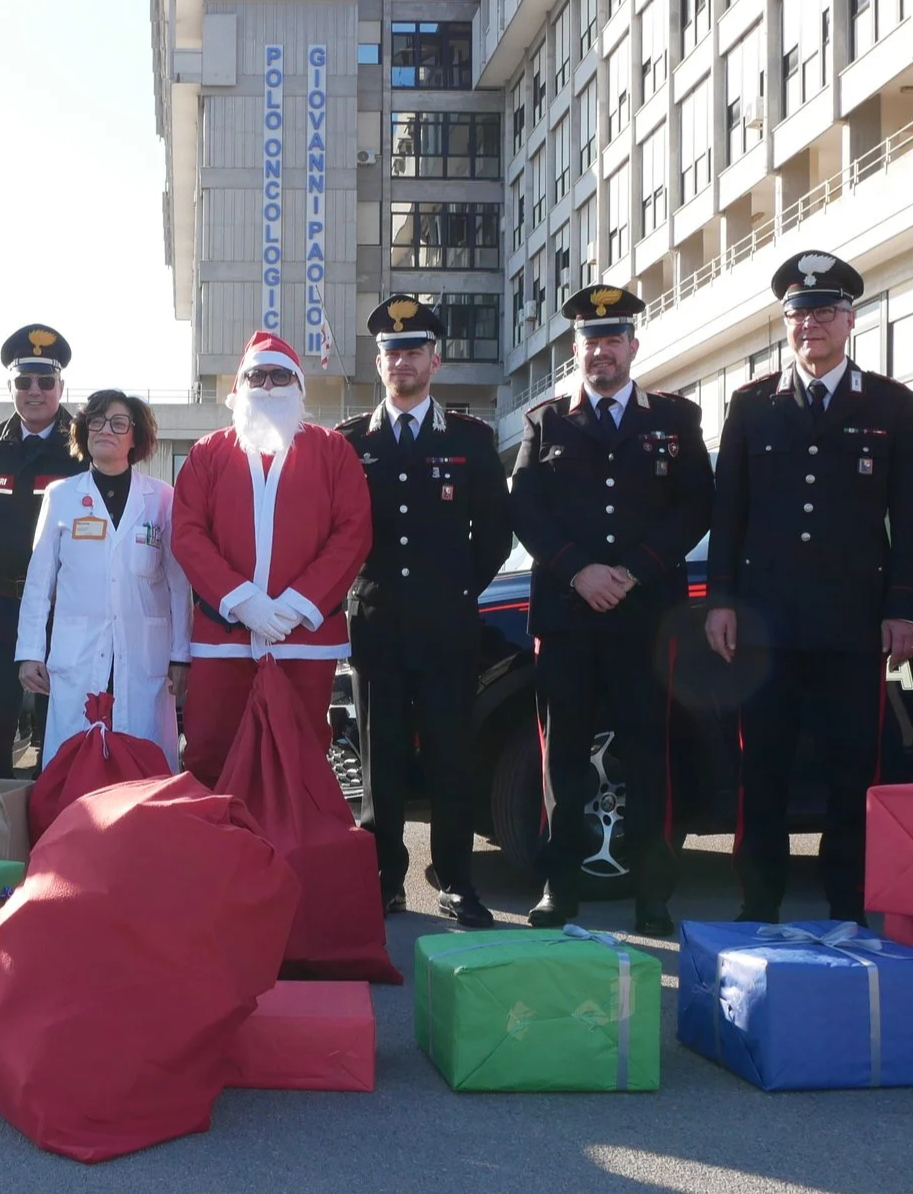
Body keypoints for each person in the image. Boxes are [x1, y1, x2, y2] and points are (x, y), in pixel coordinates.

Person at [705, 252, 913, 924]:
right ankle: (758, 900)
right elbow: (729, 513)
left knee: (852, 774)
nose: (811, 324)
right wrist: (721, 600)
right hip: (766, 625)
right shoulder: (751, 405)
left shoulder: (892, 404)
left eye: (824, 311)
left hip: (851, 625)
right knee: (763, 773)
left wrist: (904, 610)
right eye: (799, 313)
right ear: (786, 324)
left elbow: (912, 517)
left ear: (850, 320)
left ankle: (849, 903)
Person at [509, 285, 713, 935]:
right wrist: (580, 571)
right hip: (568, 620)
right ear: (578, 348)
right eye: (591, 340)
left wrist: (631, 571)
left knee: (649, 758)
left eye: (614, 338)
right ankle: (558, 888)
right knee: (561, 763)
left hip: (645, 620)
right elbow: (526, 511)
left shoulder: (675, 420)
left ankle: (652, 898)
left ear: (633, 344)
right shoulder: (545, 423)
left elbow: (695, 507)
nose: (602, 350)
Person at [336, 296, 513, 925]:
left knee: (450, 756)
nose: (401, 361)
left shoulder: (470, 437)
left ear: (435, 360)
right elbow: (335, 531)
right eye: (391, 352)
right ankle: (384, 877)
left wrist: (456, 590)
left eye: (413, 351)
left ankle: (456, 878)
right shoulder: (350, 442)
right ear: (379, 363)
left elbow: (495, 532)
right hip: (378, 625)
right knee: (379, 759)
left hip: (447, 628)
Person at [172, 331, 372, 785]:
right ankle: (218, 853)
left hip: (304, 636)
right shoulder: (207, 453)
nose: (267, 385)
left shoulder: (332, 450)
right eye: (255, 375)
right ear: (238, 387)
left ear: (299, 386)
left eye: (280, 376)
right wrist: (242, 600)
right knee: (210, 750)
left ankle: (291, 854)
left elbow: (354, 531)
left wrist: (299, 603)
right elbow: (187, 533)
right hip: (222, 638)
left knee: (297, 754)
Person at [14, 389, 190, 763]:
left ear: (135, 437)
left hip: (144, 654)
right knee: (75, 762)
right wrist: (30, 652)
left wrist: (181, 656)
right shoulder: (61, 495)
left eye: (118, 423)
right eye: (96, 421)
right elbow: (38, 583)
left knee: (145, 761)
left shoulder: (162, 499)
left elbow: (178, 584)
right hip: (78, 652)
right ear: (83, 432)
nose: (105, 429)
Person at [0, 324, 86, 776]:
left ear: (61, 387)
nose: (34, 391)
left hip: (65, 610)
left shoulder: (82, 447)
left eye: (46, 381)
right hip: (1, 608)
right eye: (24, 380)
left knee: (61, 730)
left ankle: (54, 833)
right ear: (10, 386)